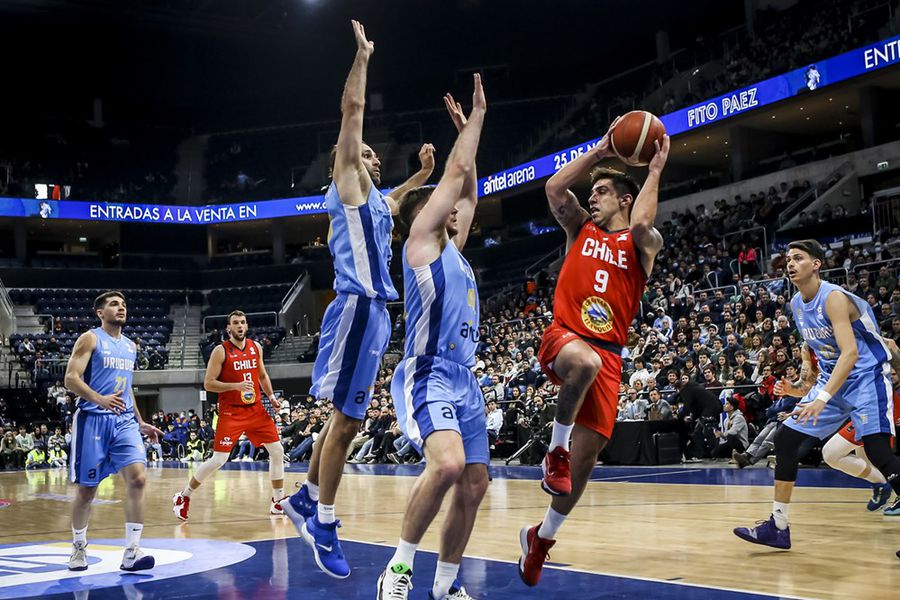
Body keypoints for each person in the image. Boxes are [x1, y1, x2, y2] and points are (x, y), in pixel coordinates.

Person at [283, 20, 436, 580]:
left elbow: (396, 200)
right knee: (348, 422)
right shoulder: (346, 184)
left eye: (374, 155)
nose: (373, 157)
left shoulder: (376, 202)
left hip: (375, 314)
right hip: (353, 306)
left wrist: (420, 173)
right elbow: (351, 111)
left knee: (344, 417)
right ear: (345, 163)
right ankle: (321, 521)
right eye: (364, 152)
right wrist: (363, 57)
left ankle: (305, 497)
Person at [518, 118, 669, 587]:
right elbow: (554, 187)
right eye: (594, 191)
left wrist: (655, 171)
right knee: (583, 363)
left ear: (624, 198)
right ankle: (554, 450)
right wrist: (600, 151)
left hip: (610, 355)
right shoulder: (580, 229)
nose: (594, 196)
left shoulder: (643, 244)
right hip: (565, 337)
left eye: (602, 191)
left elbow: (643, 222)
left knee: (582, 470)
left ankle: (540, 539)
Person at [375, 74, 487, 600]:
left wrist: (467, 138)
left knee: (475, 483)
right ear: (426, 215)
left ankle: (445, 587)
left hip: (466, 378)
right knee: (447, 464)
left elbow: (470, 188)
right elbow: (458, 175)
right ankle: (397, 570)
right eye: (444, 207)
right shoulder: (420, 242)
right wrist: (476, 124)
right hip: (428, 371)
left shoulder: (456, 252)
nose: (456, 211)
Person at [734, 240, 900, 550]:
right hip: (832, 383)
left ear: (817, 264)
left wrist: (821, 398)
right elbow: (822, 361)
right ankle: (778, 527)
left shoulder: (834, 298)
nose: (791, 264)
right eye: (787, 259)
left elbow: (850, 354)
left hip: (865, 379)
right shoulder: (797, 304)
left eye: (798, 258)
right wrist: (798, 390)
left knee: (878, 452)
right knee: (785, 440)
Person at [64, 291, 163, 572]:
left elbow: (126, 387)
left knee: (138, 479)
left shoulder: (131, 346)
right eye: (114, 304)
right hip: (93, 419)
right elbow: (71, 378)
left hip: (123, 422)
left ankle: (132, 552)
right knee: (87, 490)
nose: (121, 308)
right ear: (100, 313)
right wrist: (100, 399)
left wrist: (140, 421)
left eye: (124, 305)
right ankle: (79, 546)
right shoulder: (91, 338)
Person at [173, 310, 284, 520]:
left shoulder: (256, 347)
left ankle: (277, 501)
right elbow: (209, 383)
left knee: (277, 451)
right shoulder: (220, 351)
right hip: (231, 411)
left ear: (247, 326)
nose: (240, 326)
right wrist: (237, 385)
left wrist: (270, 396)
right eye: (236, 323)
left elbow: (261, 375)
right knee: (219, 459)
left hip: (256, 409)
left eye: (243, 322)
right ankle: (183, 496)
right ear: (229, 328)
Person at [792, 340, 900, 512]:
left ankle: (883, 485)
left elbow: (891, 345)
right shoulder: (808, 346)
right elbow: (805, 385)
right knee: (867, 459)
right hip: (853, 405)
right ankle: (881, 484)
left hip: (873, 401)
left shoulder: (846, 332)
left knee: (832, 453)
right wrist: (788, 390)